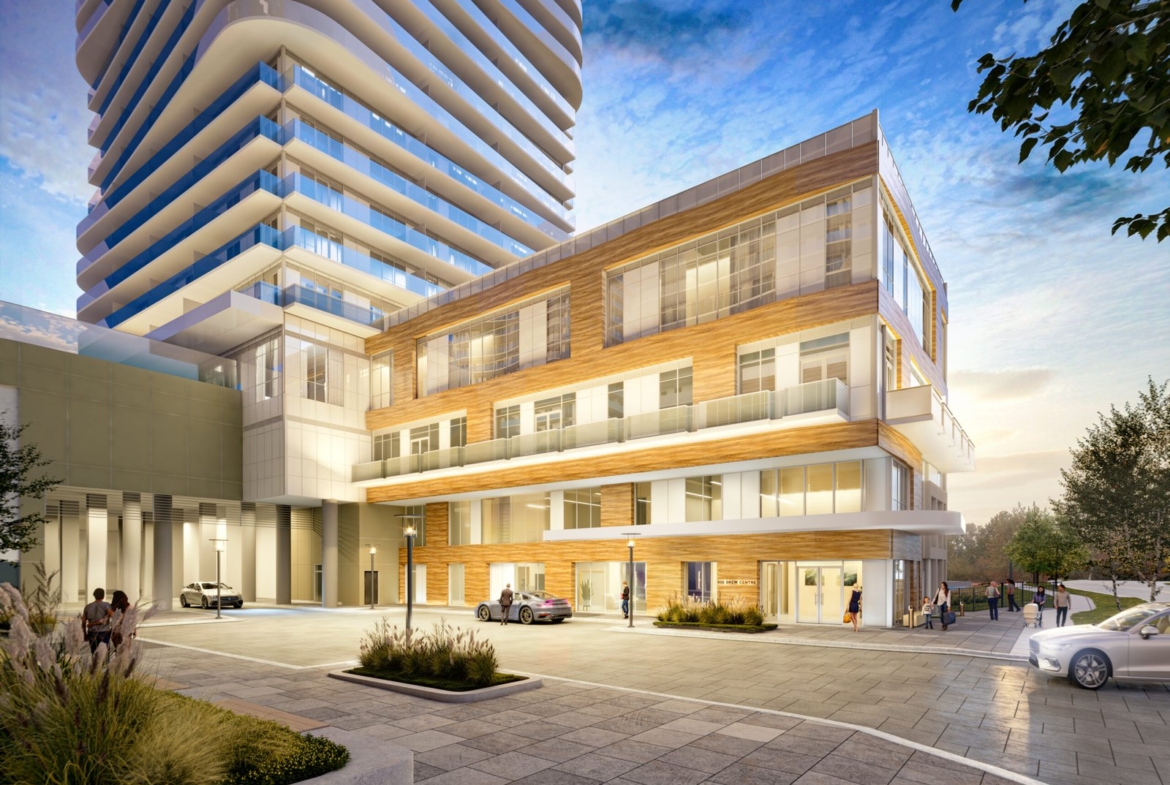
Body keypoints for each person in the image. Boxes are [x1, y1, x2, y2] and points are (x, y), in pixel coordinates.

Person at [83, 587, 112, 653]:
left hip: (91, 632)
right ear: (103, 595)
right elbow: (113, 616)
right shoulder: (106, 605)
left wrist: (84, 633)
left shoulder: (88, 606)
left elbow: (83, 622)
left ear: (94, 595)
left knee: (94, 653)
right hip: (104, 632)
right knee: (104, 654)